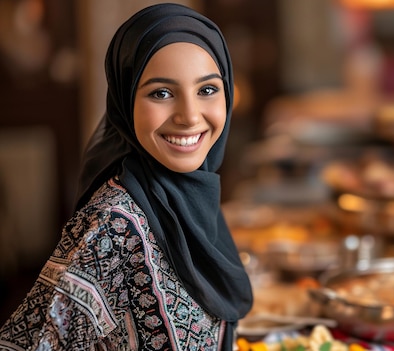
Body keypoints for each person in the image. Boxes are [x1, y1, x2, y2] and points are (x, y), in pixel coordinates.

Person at [0, 3, 253, 350]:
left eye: (207, 89)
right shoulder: (113, 226)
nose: (190, 116)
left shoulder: (191, 199)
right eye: (161, 93)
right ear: (124, 101)